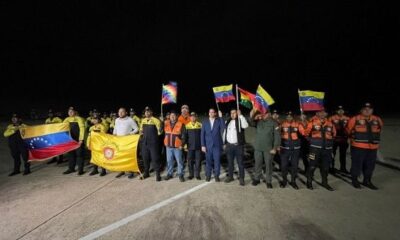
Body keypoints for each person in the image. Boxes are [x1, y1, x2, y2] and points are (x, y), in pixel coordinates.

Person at [347, 103, 383, 190]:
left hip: (372, 147)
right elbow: (348, 131)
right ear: (361, 110)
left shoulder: (377, 119)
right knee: (357, 164)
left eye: (369, 109)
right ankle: (355, 180)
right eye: (365, 109)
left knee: (370, 165)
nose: (367, 110)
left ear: (372, 110)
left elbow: (379, 130)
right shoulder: (354, 119)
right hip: (358, 147)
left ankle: (367, 181)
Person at [304, 109, 336, 191]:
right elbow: (306, 134)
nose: (322, 114)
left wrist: (330, 146)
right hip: (314, 149)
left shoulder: (330, 124)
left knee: (325, 167)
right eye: (320, 112)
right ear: (317, 113)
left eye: (324, 112)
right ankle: (309, 182)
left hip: (327, 149)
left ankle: (325, 182)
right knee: (312, 166)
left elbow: (334, 135)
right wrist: (312, 142)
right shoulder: (312, 123)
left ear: (326, 113)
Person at [250, 109, 281, 188]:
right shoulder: (259, 121)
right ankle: (257, 179)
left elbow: (277, 136)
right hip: (258, 147)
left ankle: (268, 181)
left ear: (269, 114)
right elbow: (251, 123)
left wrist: (275, 148)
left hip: (268, 148)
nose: (263, 114)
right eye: (262, 113)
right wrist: (253, 115)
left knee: (268, 165)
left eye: (265, 113)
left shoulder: (274, 123)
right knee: (258, 164)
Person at [279, 111, 305, 189]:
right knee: (284, 166)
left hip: (295, 148)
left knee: (294, 166)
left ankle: (293, 181)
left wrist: (304, 123)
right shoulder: (282, 124)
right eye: (287, 116)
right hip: (285, 148)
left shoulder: (298, 124)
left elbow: (304, 133)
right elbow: (277, 134)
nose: (289, 117)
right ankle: (284, 181)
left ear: (293, 117)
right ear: (286, 117)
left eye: (290, 116)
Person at [223, 109, 249, 186]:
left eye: (234, 113)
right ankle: (230, 177)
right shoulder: (228, 121)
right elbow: (225, 132)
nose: (232, 114)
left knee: (240, 163)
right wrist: (224, 143)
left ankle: (241, 179)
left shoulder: (240, 120)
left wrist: (241, 115)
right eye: (231, 113)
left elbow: (245, 125)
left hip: (238, 146)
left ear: (237, 113)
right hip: (229, 146)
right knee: (230, 163)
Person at [113, 107, 139, 179]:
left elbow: (136, 129)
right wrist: (114, 135)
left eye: (122, 112)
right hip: (118, 141)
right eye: (119, 112)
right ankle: (122, 170)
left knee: (128, 156)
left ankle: (131, 171)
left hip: (127, 141)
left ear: (126, 112)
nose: (120, 113)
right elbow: (115, 128)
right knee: (120, 156)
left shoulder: (130, 120)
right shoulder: (117, 120)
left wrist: (130, 134)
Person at [201, 108, 225, 182]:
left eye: (213, 112)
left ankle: (216, 176)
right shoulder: (205, 122)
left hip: (217, 145)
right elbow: (202, 134)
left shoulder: (218, 121)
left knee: (217, 161)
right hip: (208, 146)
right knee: (208, 162)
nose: (211, 113)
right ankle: (208, 175)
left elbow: (224, 127)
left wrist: (221, 117)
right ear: (208, 113)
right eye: (210, 112)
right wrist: (203, 145)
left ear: (215, 113)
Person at [140, 106, 162, 181]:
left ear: (151, 112)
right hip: (145, 143)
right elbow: (141, 131)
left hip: (153, 143)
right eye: (146, 112)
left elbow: (160, 132)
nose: (147, 113)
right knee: (145, 159)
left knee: (155, 159)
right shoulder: (143, 120)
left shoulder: (156, 120)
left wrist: (161, 126)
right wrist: (141, 133)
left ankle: (158, 174)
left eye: (148, 111)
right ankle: (146, 173)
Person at [164, 111, 187, 182]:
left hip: (177, 147)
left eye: (174, 115)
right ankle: (169, 173)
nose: (172, 117)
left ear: (176, 117)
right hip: (168, 147)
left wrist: (182, 145)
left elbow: (184, 136)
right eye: (171, 116)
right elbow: (161, 130)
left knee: (179, 161)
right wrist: (161, 121)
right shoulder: (166, 123)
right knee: (169, 161)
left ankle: (180, 174)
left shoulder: (181, 124)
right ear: (169, 117)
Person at [63, 107, 86, 175]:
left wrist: (81, 139)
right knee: (71, 155)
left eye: (72, 111)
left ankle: (80, 170)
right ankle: (71, 168)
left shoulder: (79, 119)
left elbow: (82, 129)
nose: (70, 113)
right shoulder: (66, 119)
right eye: (69, 111)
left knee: (79, 155)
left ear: (75, 112)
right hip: (70, 140)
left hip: (78, 140)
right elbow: (61, 128)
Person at [329, 106, 350, 173]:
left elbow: (350, 128)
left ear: (344, 111)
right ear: (336, 111)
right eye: (339, 110)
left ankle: (343, 168)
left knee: (343, 155)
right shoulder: (331, 118)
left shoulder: (347, 118)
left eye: (342, 110)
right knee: (332, 154)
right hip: (334, 139)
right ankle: (331, 167)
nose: (340, 111)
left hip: (343, 139)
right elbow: (328, 127)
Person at [185, 112, 202, 180]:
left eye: (194, 116)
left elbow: (202, 136)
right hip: (190, 147)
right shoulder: (187, 125)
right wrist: (185, 146)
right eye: (191, 116)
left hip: (198, 147)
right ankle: (191, 174)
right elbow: (185, 137)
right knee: (190, 161)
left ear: (196, 117)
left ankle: (197, 175)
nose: (193, 118)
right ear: (190, 117)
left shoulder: (200, 125)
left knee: (198, 161)